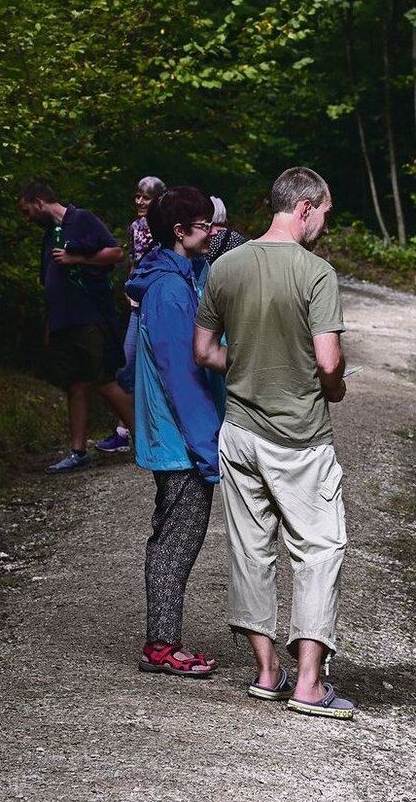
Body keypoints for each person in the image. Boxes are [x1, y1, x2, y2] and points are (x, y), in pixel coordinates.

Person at [192, 166, 354, 720]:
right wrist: (332, 385)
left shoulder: (225, 265)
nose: (325, 225)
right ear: (304, 207)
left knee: (251, 549)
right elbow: (329, 363)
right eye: (325, 213)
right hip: (301, 439)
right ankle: (308, 684)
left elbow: (205, 351)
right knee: (319, 550)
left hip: (238, 432)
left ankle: (266, 673)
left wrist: (250, 368)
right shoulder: (317, 274)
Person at [124, 186, 224, 678]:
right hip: (179, 439)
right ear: (180, 232)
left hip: (178, 437)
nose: (213, 232)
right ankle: (162, 644)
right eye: (205, 225)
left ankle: (163, 639)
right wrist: (206, 447)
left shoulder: (179, 276)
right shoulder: (167, 290)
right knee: (176, 540)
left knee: (175, 535)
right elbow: (180, 376)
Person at [17, 181, 136, 473]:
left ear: (39, 201)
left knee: (103, 379)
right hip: (63, 321)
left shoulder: (80, 219)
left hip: (89, 317)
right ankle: (78, 450)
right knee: (74, 384)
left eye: (26, 210)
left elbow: (115, 253)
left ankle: (146, 441)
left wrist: (79, 258)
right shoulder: (50, 234)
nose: (27, 217)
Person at [95, 176, 165, 454]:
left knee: (160, 367)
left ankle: (157, 429)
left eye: (145, 197)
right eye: (137, 196)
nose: (139, 202)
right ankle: (126, 430)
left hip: (157, 303)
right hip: (138, 305)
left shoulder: (166, 226)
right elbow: (135, 261)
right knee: (127, 367)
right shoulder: (136, 227)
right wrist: (129, 285)